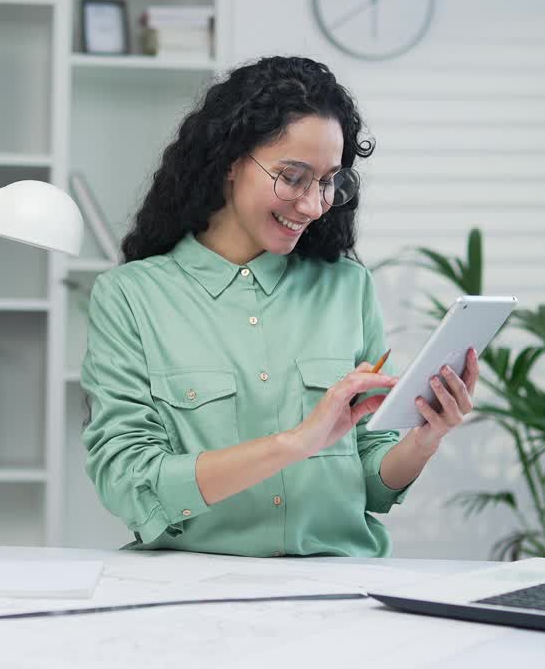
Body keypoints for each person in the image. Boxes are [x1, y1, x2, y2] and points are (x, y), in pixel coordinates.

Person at [80, 56, 478, 557]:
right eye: (293, 177)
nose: (313, 205)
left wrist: (425, 437)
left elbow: (374, 481)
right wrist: (294, 444)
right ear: (230, 160)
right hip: (190, 589)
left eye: (329, 181)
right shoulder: (131, 296)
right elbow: (128, 481)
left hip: (339, 586)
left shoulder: (347, 288)